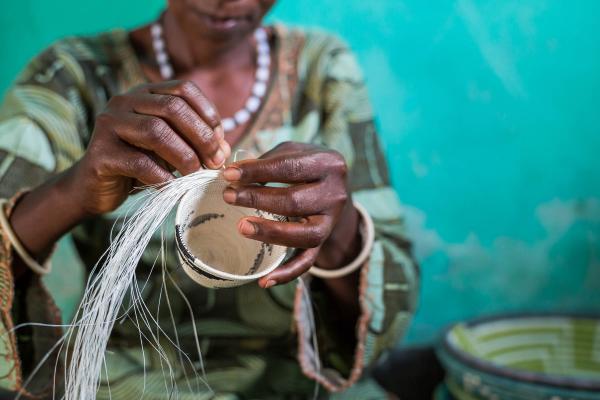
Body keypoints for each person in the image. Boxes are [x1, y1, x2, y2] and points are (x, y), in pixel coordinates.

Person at [0, 0, 418, 398]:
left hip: (296, 380)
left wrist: (339, 229)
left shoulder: (322, 68)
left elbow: (393, 306)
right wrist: (74, 190)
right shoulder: (72, 74)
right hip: (125, 378)